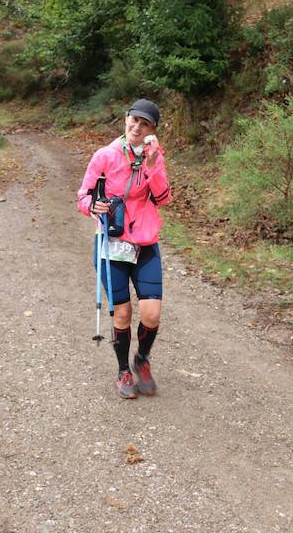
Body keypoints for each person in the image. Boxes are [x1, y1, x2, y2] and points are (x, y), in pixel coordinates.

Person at [77, 99, 172, 399]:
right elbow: (83, 196)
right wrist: (93, 206)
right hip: (111, 244)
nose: (136, 127)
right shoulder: (105, 156)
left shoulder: (154, 157)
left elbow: (165, 197)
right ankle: (123, 370)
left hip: (144, 243)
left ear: (152, 130)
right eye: (134, 120)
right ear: (126, 118)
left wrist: (154, 164)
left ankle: (142, 359)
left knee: (151, 314)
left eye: (144, 124)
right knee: (122, 313)